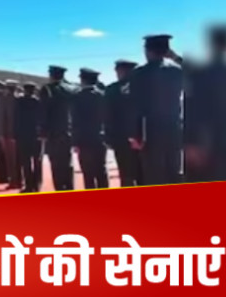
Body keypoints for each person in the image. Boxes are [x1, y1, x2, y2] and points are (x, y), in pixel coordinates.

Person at [185, 25, 226, 182]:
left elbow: (192, 108)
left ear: (211, 44)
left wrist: (190, 141)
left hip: (207, 142)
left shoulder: (200, 73)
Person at [127, 35, 184, 186]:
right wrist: (175, 57)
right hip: (174, 130)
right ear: (167, 51)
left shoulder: (139, 73)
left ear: (148, 51)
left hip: (150, 132)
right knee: (173, 172)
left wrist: (135, 135)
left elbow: (135, 106)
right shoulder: (177, 71)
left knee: (153, 175)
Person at [39, 65, 76, 192]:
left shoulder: (47, 89)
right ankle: (69, 187)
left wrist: (42, 132)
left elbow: (43, 112)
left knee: (55, 164)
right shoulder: (71, 88)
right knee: (67, 162)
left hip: (53, 132)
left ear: (51, 75)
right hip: (69, 131)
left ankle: (60, 189)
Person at [105, 59, 141, 187]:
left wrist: (108, 138)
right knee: (143, 174)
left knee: (126, 174)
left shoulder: (112, 89)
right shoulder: (144, 87)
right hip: (143, 137)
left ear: (121, 71)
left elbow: (107, 116)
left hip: (120, 138)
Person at [72, 68, 108, 190]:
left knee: (88, 173)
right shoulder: (102, 95)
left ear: (83, 80)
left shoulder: (77, 97)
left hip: (84, 139)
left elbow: (75, 121)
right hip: (99, 138)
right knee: (101, 169)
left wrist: (75, 142)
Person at [15, 82, 42, 193]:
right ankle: (37, 184)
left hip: (23, 135)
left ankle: (28, 185)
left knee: (25, 162)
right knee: (37, 161)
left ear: (25, 90)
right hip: (36, 135)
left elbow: (16, 119)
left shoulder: (19, 102)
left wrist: (15, 134)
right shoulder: (38, 102)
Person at [0, 80, 21, 189]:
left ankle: (14, 181)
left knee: (11, 159)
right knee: (19, 159)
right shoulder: (20, 99)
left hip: (9, 134)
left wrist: (1, 134)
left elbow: (2, 119)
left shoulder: (5, 100)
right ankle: (19, 180)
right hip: (19, 134)